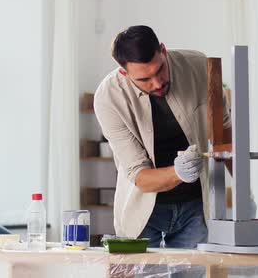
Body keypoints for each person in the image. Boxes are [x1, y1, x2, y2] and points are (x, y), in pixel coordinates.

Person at [94, 25, 235, 249]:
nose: (158, 83)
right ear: (124, 73)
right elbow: (138, 174)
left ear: (163, 50)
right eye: (144, 79)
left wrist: (244, 193)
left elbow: (224, 133)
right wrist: (179, 173)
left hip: (195, 207)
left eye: (160, 70)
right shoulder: (108, 97)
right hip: (143, 209)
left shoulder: (200, 67)